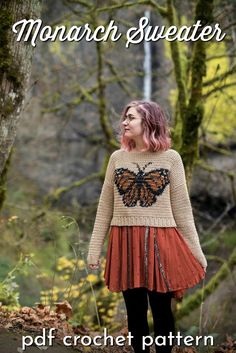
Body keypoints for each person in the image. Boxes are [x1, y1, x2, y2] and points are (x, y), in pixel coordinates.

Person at [87, 100, 207, 353]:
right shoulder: (117, 158)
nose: (124, 122)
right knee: (135, 312)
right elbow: (105, 207)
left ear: (148, 122)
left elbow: (183, 210)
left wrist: (196, 252)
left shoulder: (171, 159)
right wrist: (94, 249)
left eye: (131, 118)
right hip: (124, 241)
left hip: (160, 243)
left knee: (162, 310)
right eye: (125, 117)